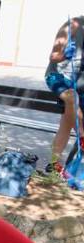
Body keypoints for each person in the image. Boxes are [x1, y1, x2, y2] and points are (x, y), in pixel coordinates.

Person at [44, 16, 84, 174]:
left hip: (78, 84)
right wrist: (64, 54)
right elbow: (54, 56)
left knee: (66, 124)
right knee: (72, 98)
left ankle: (53, 164)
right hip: (58, 77)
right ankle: (82, 136)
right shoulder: (72, 25)